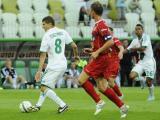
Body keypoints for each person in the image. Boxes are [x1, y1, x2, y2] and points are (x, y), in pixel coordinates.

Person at [78, 2, 128, 118]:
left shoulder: (101, 25)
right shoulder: (97, 25)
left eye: (90, 10)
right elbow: (101, 43)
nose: (89, 12)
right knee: (101, 87)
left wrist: (97, 52)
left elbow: (110, 42)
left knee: (81, 80)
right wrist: (92, 50)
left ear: (93, 12)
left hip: (101, 59)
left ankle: (99, 102)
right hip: (101, 57)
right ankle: (122, 106)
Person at [29, 16, 79, 113]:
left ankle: (63, 105)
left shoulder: (47, 35)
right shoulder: (63, 32)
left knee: (43, 86)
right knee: (45, 85)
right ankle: (38, 105)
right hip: (63, 64)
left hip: (54, 65)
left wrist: (39, 71)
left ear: (50, 24)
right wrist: (76, 56)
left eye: (44, 24)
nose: (42, 27)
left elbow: (43, 54)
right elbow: (74, 46)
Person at [125, 24, 156, 101]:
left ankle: (151, 96)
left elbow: (143, 48)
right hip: (141, 62)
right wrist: (119, 52)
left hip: (149, 61)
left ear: (143, 30)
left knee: (149, 81)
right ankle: (142, 79)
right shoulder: (134, 41)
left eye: (139, 29)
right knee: (132, 76)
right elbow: (127, 50)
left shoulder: (146, 37)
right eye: (136, 29)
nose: (137, 30)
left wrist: (133, 49)